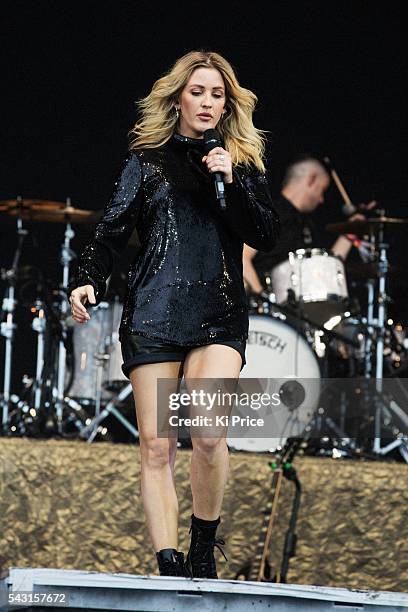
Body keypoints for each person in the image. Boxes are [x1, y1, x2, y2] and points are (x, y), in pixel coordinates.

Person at [69, 50, 279, 579]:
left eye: (217, 94)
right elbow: (110, 231)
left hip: (217, 309)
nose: (207, 102)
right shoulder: (147, 161)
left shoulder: (242, 163)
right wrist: (87, 277)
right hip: (155, 310)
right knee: (156, 444)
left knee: (208, 433)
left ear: (228, 104)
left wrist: (230, 181)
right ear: (178, 98)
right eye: (197, 92)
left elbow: (266, 234)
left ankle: (203, 545)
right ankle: (168, 563)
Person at [243, 155, 373, 295]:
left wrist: (349, 233)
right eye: (322, 190)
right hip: (265, 312)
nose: (321, 200)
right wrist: (263, 301)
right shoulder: (269, 211)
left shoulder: (306, 225)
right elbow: (242, 256)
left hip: (293, 311)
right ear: (311, 179)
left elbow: (323, 270)